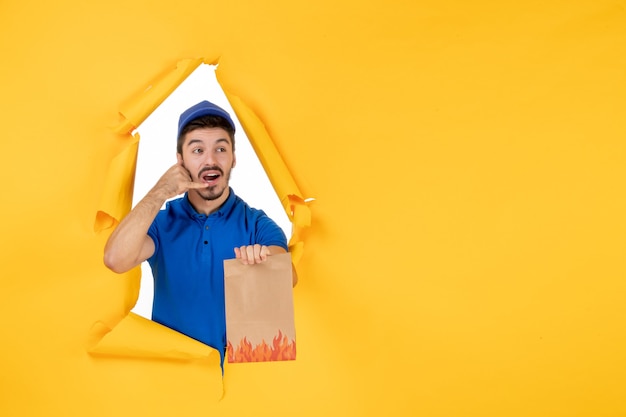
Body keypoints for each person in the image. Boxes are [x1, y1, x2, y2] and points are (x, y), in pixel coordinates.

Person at [103, 100, 297, 365]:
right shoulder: (161, 223)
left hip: (242, 385)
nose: (210, 160)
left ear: (233, 158)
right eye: (197, 150)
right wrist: (160, 191)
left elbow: (288, 276)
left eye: (220, 149)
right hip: (175, 380)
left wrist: (265, 260)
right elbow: (115, 259)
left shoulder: (257, 224)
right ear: (180, 161)